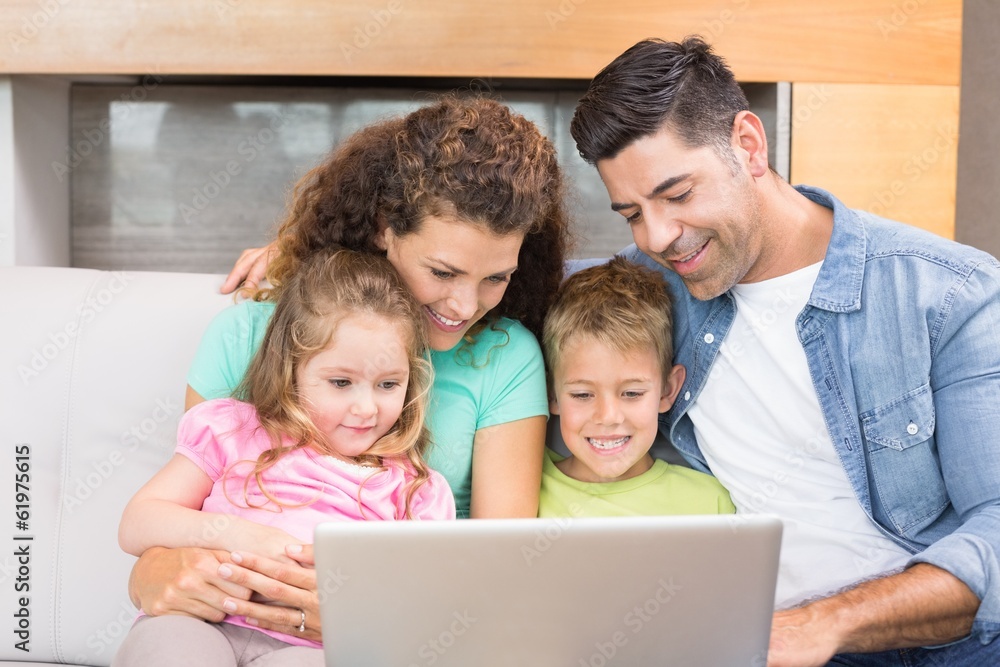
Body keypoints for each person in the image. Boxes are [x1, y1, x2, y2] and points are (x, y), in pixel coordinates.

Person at [569, 36, 1000, 666]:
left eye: (679, 195)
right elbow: (482, 275)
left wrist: (819, 626)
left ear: (748, 144)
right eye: (632, 212)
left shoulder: (949, 293)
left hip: (943, 648)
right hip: (748, 642)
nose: (658, 236)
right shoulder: (641, 290)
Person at [127, 96, 569, 640]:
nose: (463, 305)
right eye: (443, 271)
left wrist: (370, 613)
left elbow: (498, 569)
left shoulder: (508, 357)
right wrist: (150, 575)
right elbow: (178, 519)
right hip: (225, 616)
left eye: (495, 278)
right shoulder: (249, 333)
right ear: (384, 227)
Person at [113, 249, 455, 666]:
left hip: (312, 649)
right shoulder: (234, 431)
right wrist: (239, 535)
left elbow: (425, 604)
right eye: (341, 382)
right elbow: (138, 522)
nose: (366, 408)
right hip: (203, 620)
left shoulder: (414, 489)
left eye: (387, 384)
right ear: (291, 368)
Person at [538, 256, 734, 518]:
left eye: (631, 393)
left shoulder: (710, 502)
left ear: (667, 390)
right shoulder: (522, 489)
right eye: (582, 394)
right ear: (551, 393)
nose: (608, 417)